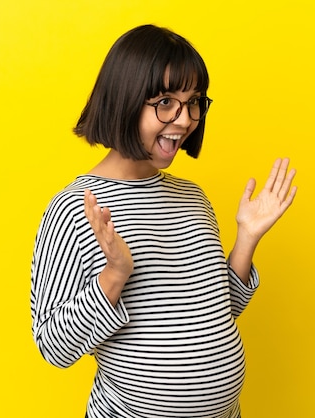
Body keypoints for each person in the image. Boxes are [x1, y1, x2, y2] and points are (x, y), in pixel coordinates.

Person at [30, 24, 297, 418]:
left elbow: (221, 311)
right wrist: (115, 275)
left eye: (194, 102)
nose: (186, 119)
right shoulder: (74, 209)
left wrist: (247, 239)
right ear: (125, 100)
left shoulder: (192, 198)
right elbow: (53, 346)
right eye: (167, 102)